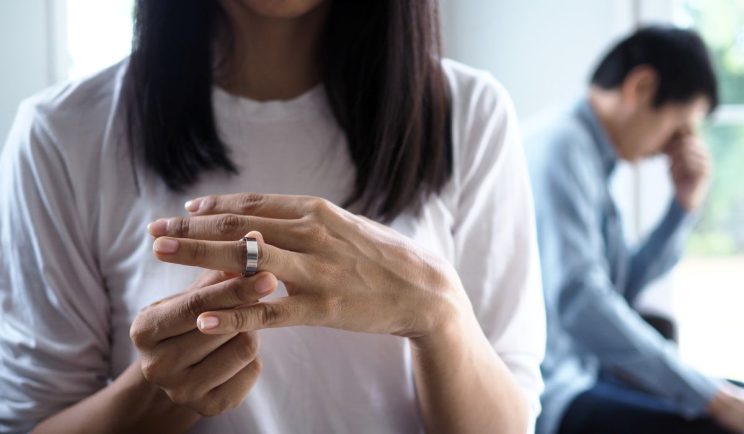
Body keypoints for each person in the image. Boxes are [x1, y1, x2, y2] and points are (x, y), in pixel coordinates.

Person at [0, 1, 546, 433]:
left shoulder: (469, 114)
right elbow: (33, 420)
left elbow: (510, 423)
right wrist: (153, 393)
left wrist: (438, 313)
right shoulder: (62, 134)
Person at [525, 25, 744, 434]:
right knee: (720, 419)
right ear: (641, 87)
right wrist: (708, 396)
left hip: (588, 372)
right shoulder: (562, 149)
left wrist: (682, 205)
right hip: (556, 389)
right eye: (678, 127)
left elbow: (622, 285)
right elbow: (581, 302)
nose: (673, 146)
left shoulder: (591, 159)